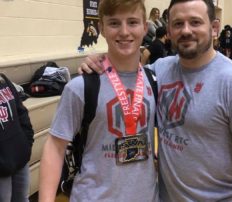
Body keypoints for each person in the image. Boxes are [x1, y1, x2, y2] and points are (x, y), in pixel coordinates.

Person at [79, 0, 232, 201]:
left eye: (195, 22)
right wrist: (99, 59)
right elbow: (124, 71)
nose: (186, 30)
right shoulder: (159, 70)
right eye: (178, 24)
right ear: (169, 30)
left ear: (214, 28)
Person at [39, 0, 159, 201]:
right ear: (101, 28)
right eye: (114, 23)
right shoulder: (81, 86)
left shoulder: (155, 79)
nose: (124, 31)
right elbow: (55, 147)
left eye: (132, 22)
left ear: (145, 27)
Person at [0, 73, 34, 202]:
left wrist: (26, 144)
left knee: (23, 198)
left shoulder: (3, 79)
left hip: (20, 157)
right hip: (1, 169)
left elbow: (21, 112)